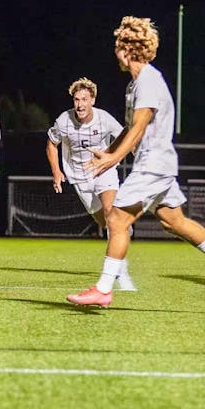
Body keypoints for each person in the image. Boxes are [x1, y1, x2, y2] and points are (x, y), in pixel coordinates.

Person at [67, 16, 205, 308]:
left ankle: (103, 289)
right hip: (156, 164)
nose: (115, 52)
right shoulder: (134, 85)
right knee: (174, 221)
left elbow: (139, 126)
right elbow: (128, 128)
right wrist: (110, 150)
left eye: (117, 46)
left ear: (127, 49)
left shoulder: (148, 80)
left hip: (153, 164)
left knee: (116, 218)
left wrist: (113, 158)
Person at [46, 77, 135, 290]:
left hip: (104, 171)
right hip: (78, 177)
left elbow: (125, 134)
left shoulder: (104, 119)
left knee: (111, 214)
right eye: (77, 99)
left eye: (84, 99)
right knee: (104, 222)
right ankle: (122, 236)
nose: (80, 104)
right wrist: (57, 172)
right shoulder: (64, 120)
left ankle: (117, 268)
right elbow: (51, 144)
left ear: (92, 100)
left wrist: (117, 153)